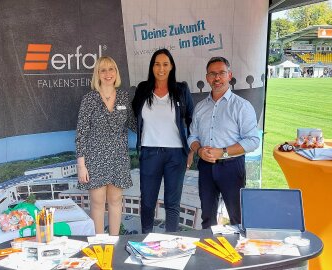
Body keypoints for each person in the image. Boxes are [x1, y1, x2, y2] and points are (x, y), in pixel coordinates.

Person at [188, 56, 259, 229]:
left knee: (237, 217)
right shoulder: (200, 107)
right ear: (207, 78)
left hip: (231, 167)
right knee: (207, 218)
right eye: (212, 74)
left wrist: (223, 152)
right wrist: (198, 151)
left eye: (221, 73)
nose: (217, 78)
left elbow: (253, 140)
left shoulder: (242, 106)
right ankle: (209, 253)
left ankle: (240, 254)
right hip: (205, 167)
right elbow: (192, 137)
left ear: (229, 75)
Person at [132, 48, 194, 233]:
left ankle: (171, 244)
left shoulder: (181, 89)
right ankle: (145, 241)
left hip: (176, 155)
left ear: (171, 66)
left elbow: (192, 119)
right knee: (148, 202)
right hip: (150, 152)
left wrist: (190, 149)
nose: (161, 68)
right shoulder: (143, 89)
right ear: (152, 67)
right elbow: (134, 115)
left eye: (165, 64)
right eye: (157, 64)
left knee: (172, 204)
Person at [75, 56, 135, 235]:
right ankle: (99, 244)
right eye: (103, 70)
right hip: (95, 158)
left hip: (119, 157)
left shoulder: (124, 97)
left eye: (111, 69)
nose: (108, 73)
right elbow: (81, 133)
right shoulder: (89, 99)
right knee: (98, 202)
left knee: (116, 201)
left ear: (116, 73)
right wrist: (81, 165)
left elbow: (134, 124)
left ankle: (114, 242)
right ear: (97, 74)